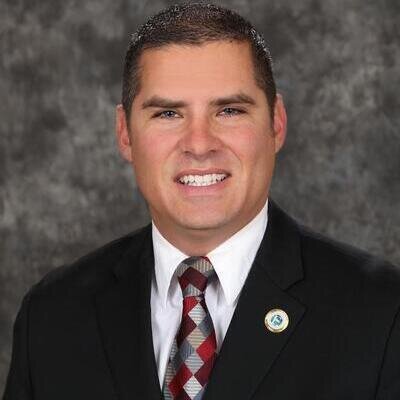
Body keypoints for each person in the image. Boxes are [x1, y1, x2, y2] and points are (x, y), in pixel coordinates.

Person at [3, 3, 400, 399]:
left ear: (276, 124)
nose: (199, 144)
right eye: (167, 114)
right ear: (125, 133)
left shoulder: (381, 312)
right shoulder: (52, 316)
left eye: (229, 110)